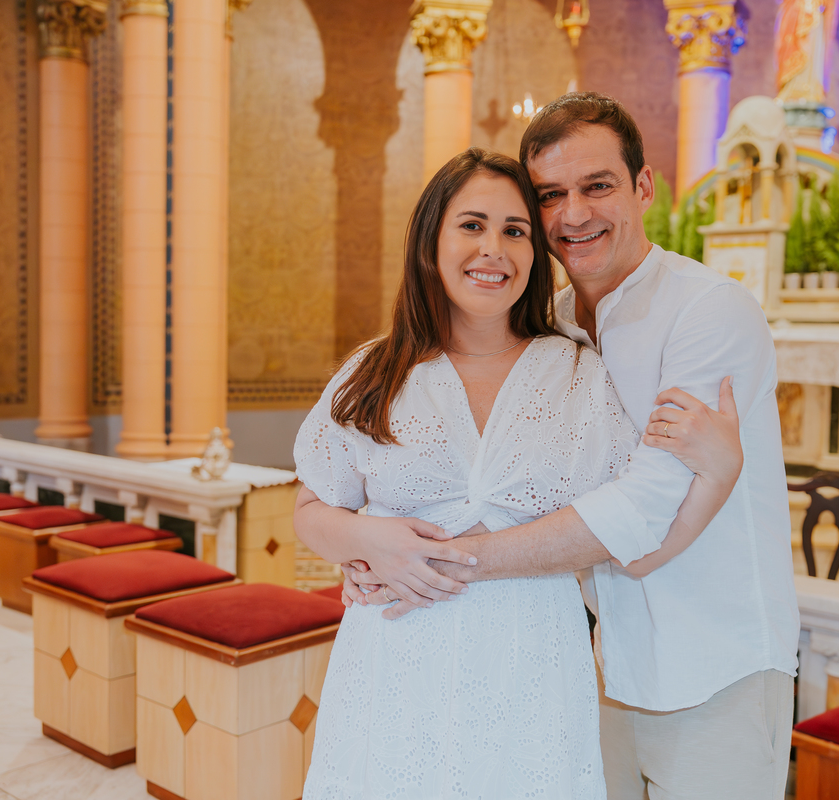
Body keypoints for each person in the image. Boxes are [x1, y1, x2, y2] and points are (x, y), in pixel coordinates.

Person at [341, 94, 800, 800]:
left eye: (598, 186)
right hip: (588, 659)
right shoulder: (545, 327)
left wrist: (438, 564)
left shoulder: (708, 311)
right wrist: (368, 542)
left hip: (713, 659)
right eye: (551, 195)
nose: (573, 214)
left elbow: (648, 501)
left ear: (643, 187)